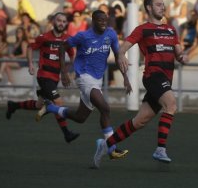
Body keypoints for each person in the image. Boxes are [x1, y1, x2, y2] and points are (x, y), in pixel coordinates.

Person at [92, 0, 188, 168]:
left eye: (163, 4)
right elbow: (123, 48)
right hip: (153, 76)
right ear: (149, 8)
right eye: (158, 4)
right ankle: (160, 149)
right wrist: (121, 56)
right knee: (171, 105)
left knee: (139, 121)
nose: (162, 7)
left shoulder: (171, 29)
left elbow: (178, 52)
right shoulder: (142, 29)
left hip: (166, 78)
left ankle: (105, 145)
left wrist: (183, 57)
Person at [41, 10, 132, 160]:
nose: (103, 23)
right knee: (105, 108)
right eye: (100, 20)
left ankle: (50, 107)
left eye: (105, 20)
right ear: (93, 20)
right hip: (84, 76)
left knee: (80, 117)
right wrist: (63, 71)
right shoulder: (83, 36)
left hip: (97, 79)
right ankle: (111, 148)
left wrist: (125, 78)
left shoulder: (111, 34)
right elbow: (62, 46)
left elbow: (117, 56)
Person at [5, 12, 79, 143]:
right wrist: (30, 64)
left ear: (66, 24)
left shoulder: (67, 39)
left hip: (55, 77)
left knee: (39, 105)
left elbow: (72, 54)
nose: (61, 23)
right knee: (59, 102)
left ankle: (13, 106)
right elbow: (29, 47)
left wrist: (67, 71)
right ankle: (67, 133)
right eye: (58, 20)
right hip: (44, 75)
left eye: (63, 21)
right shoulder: (44, 37)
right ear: (53, 22)